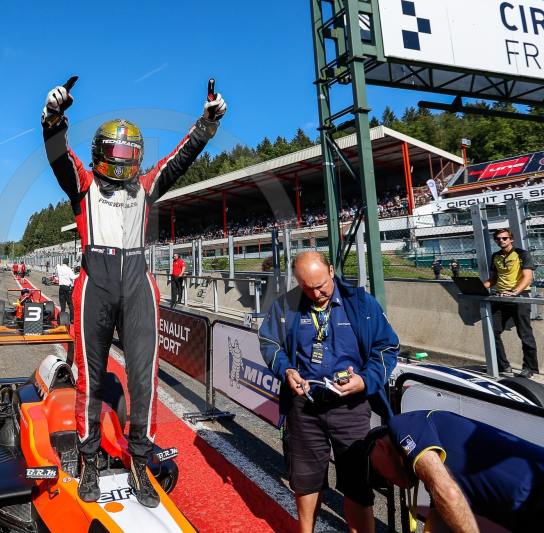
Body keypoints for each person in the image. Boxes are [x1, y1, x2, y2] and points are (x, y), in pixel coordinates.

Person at [42, 79, 226, 507]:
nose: (123, 160)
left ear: (137, 156)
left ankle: (140, 460)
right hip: (96, 280)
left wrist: (208, 122)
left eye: (130, 153)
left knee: (144, 377)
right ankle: (88, 461)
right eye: (116, 152)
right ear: (101, 153)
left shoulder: (146, 185)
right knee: (89, 377)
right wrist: (52, 118)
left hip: (138, 279)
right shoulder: (83, 185)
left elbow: (183, 158)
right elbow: (57, 153)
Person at [258, 251, 399, 533]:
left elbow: (387, 348)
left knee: (358, 485)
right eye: (307, 287)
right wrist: (286, 371)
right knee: (306, 481)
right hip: (304, 407)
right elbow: (269, 342)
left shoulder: (361, 304)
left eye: (321, 284)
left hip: (351, 408)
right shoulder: (285, 305)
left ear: (332, 271)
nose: (316, 292)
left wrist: (365, 380)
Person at [366, 410, 544, 532]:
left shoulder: (404, 425)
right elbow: (440, 521)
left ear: (381, 446)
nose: (389, 482)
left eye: (380, 474)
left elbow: (449, 494)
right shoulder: (436, 471)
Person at [483, 228, 539, 378]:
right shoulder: (495, 256)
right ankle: (503, 366)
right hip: (501, 297)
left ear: (511, 239)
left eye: (504, 238)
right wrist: (479, 287)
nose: (501, 241)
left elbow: (527, 277)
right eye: (498, 239)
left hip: (519, 297)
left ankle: (530, 368)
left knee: (525, 334)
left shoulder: (522, 254)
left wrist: (515, 292)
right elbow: (494, 279)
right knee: (492, 331)